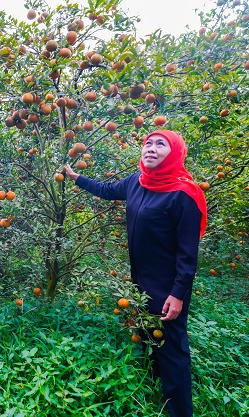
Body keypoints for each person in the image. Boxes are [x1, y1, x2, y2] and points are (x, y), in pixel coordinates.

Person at [64, 130, 207, 417]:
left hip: (168, 286)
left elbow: (188, 255)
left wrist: (178, 295)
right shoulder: (137, 182)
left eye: (160, 144)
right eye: (147, 144)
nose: (151, 149)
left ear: (175, 152)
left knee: (172, 347)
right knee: (148, 333)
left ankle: (180, 410)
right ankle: (156, 385)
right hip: (141, 280)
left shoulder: (184, 194)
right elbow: (106, 190)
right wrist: (76, 177)